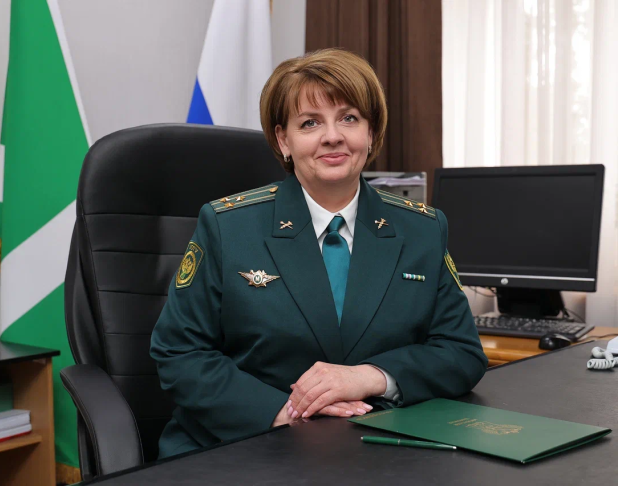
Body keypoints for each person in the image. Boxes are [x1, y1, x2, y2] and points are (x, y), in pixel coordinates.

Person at [150, 48, 487, 459]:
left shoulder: (422, 229)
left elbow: (460, 352)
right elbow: (179, 352)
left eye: (349, 118)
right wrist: (284, 412)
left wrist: (369, 377)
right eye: (310, 122)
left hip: (376, 450)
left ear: (371, 132)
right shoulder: (227, 226)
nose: (332, 136)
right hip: (248, 446)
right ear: (283, 140)